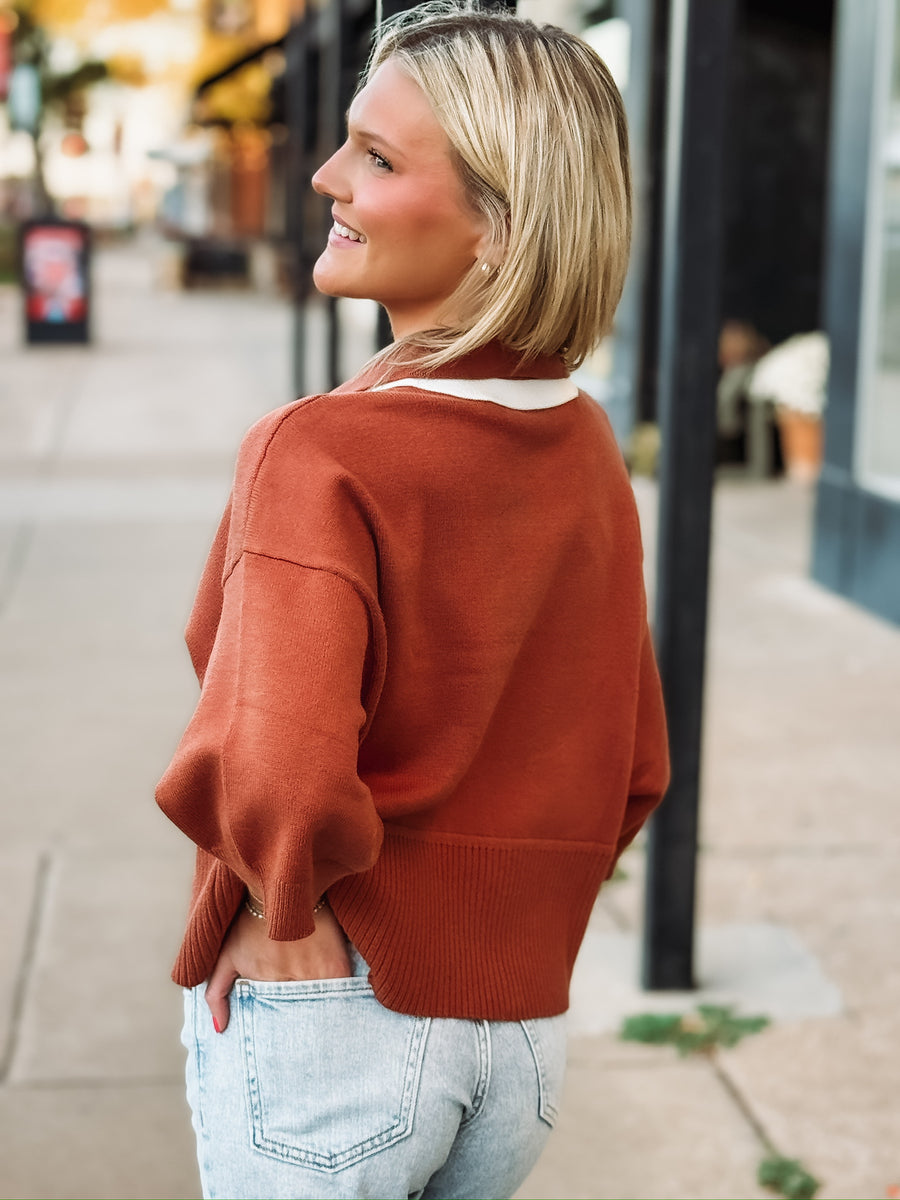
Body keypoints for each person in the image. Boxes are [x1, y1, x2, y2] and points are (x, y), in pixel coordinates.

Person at [156, 3, 670, 1197]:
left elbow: (272, 757)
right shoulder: (588, 448)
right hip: (524, 1037)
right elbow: (633, 763)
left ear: (499, 227)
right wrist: (509, 934)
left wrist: (283, 911)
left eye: (378, 158)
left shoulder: (320, 452)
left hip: (334, 1017)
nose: (327, 175)